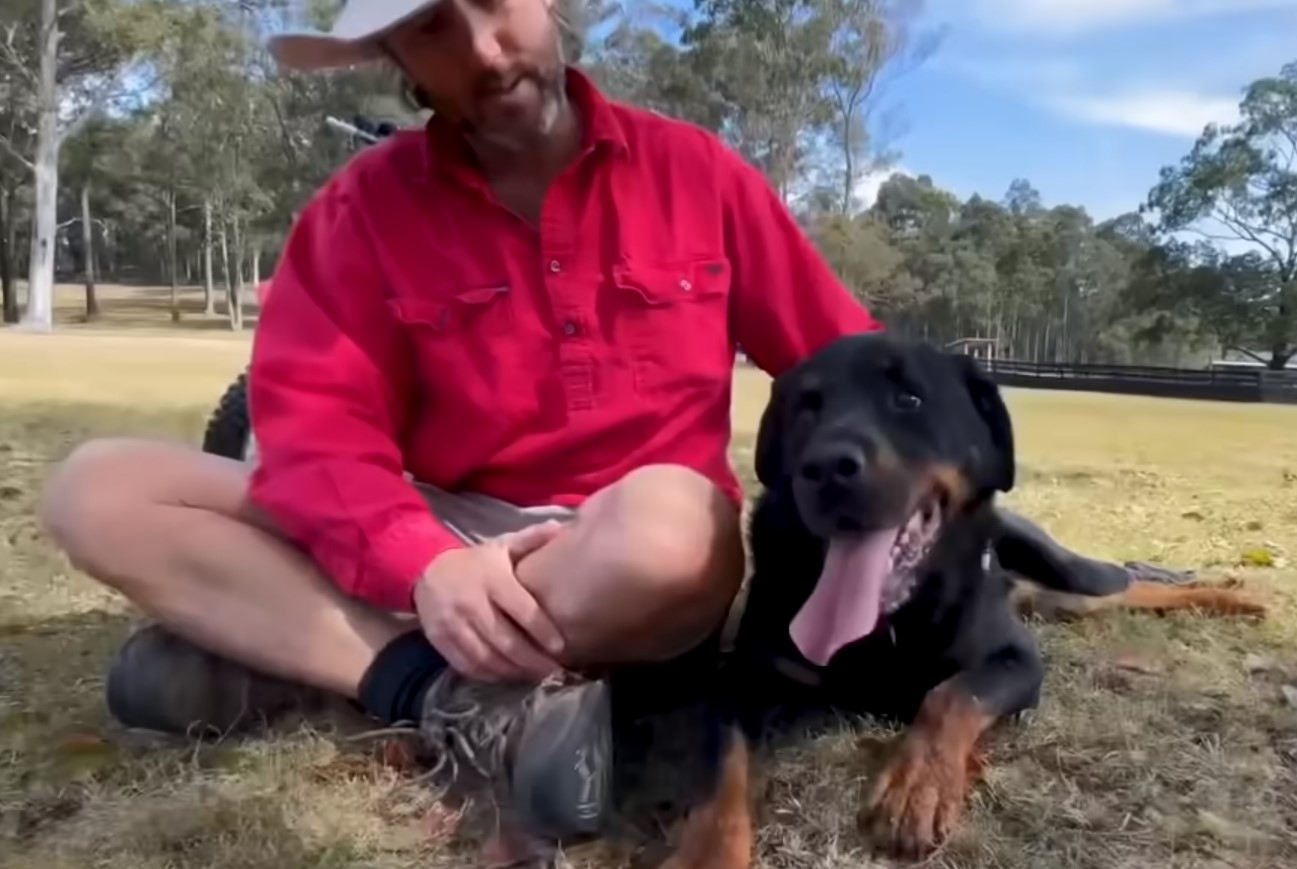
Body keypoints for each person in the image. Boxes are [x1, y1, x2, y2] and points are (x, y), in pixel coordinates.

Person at [37, 0, 1129, 844]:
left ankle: (282, 651)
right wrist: (421, 560)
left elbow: (847, 364)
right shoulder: (356, 213)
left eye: (491, 3)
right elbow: (312, 430)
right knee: (99, 487)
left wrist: (951, 504)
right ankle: (440, 691)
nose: (484, 48)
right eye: (430, 27)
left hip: (613, 544)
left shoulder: (699, 176)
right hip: (425, 527)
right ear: (399, 64)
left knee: (683, 530)